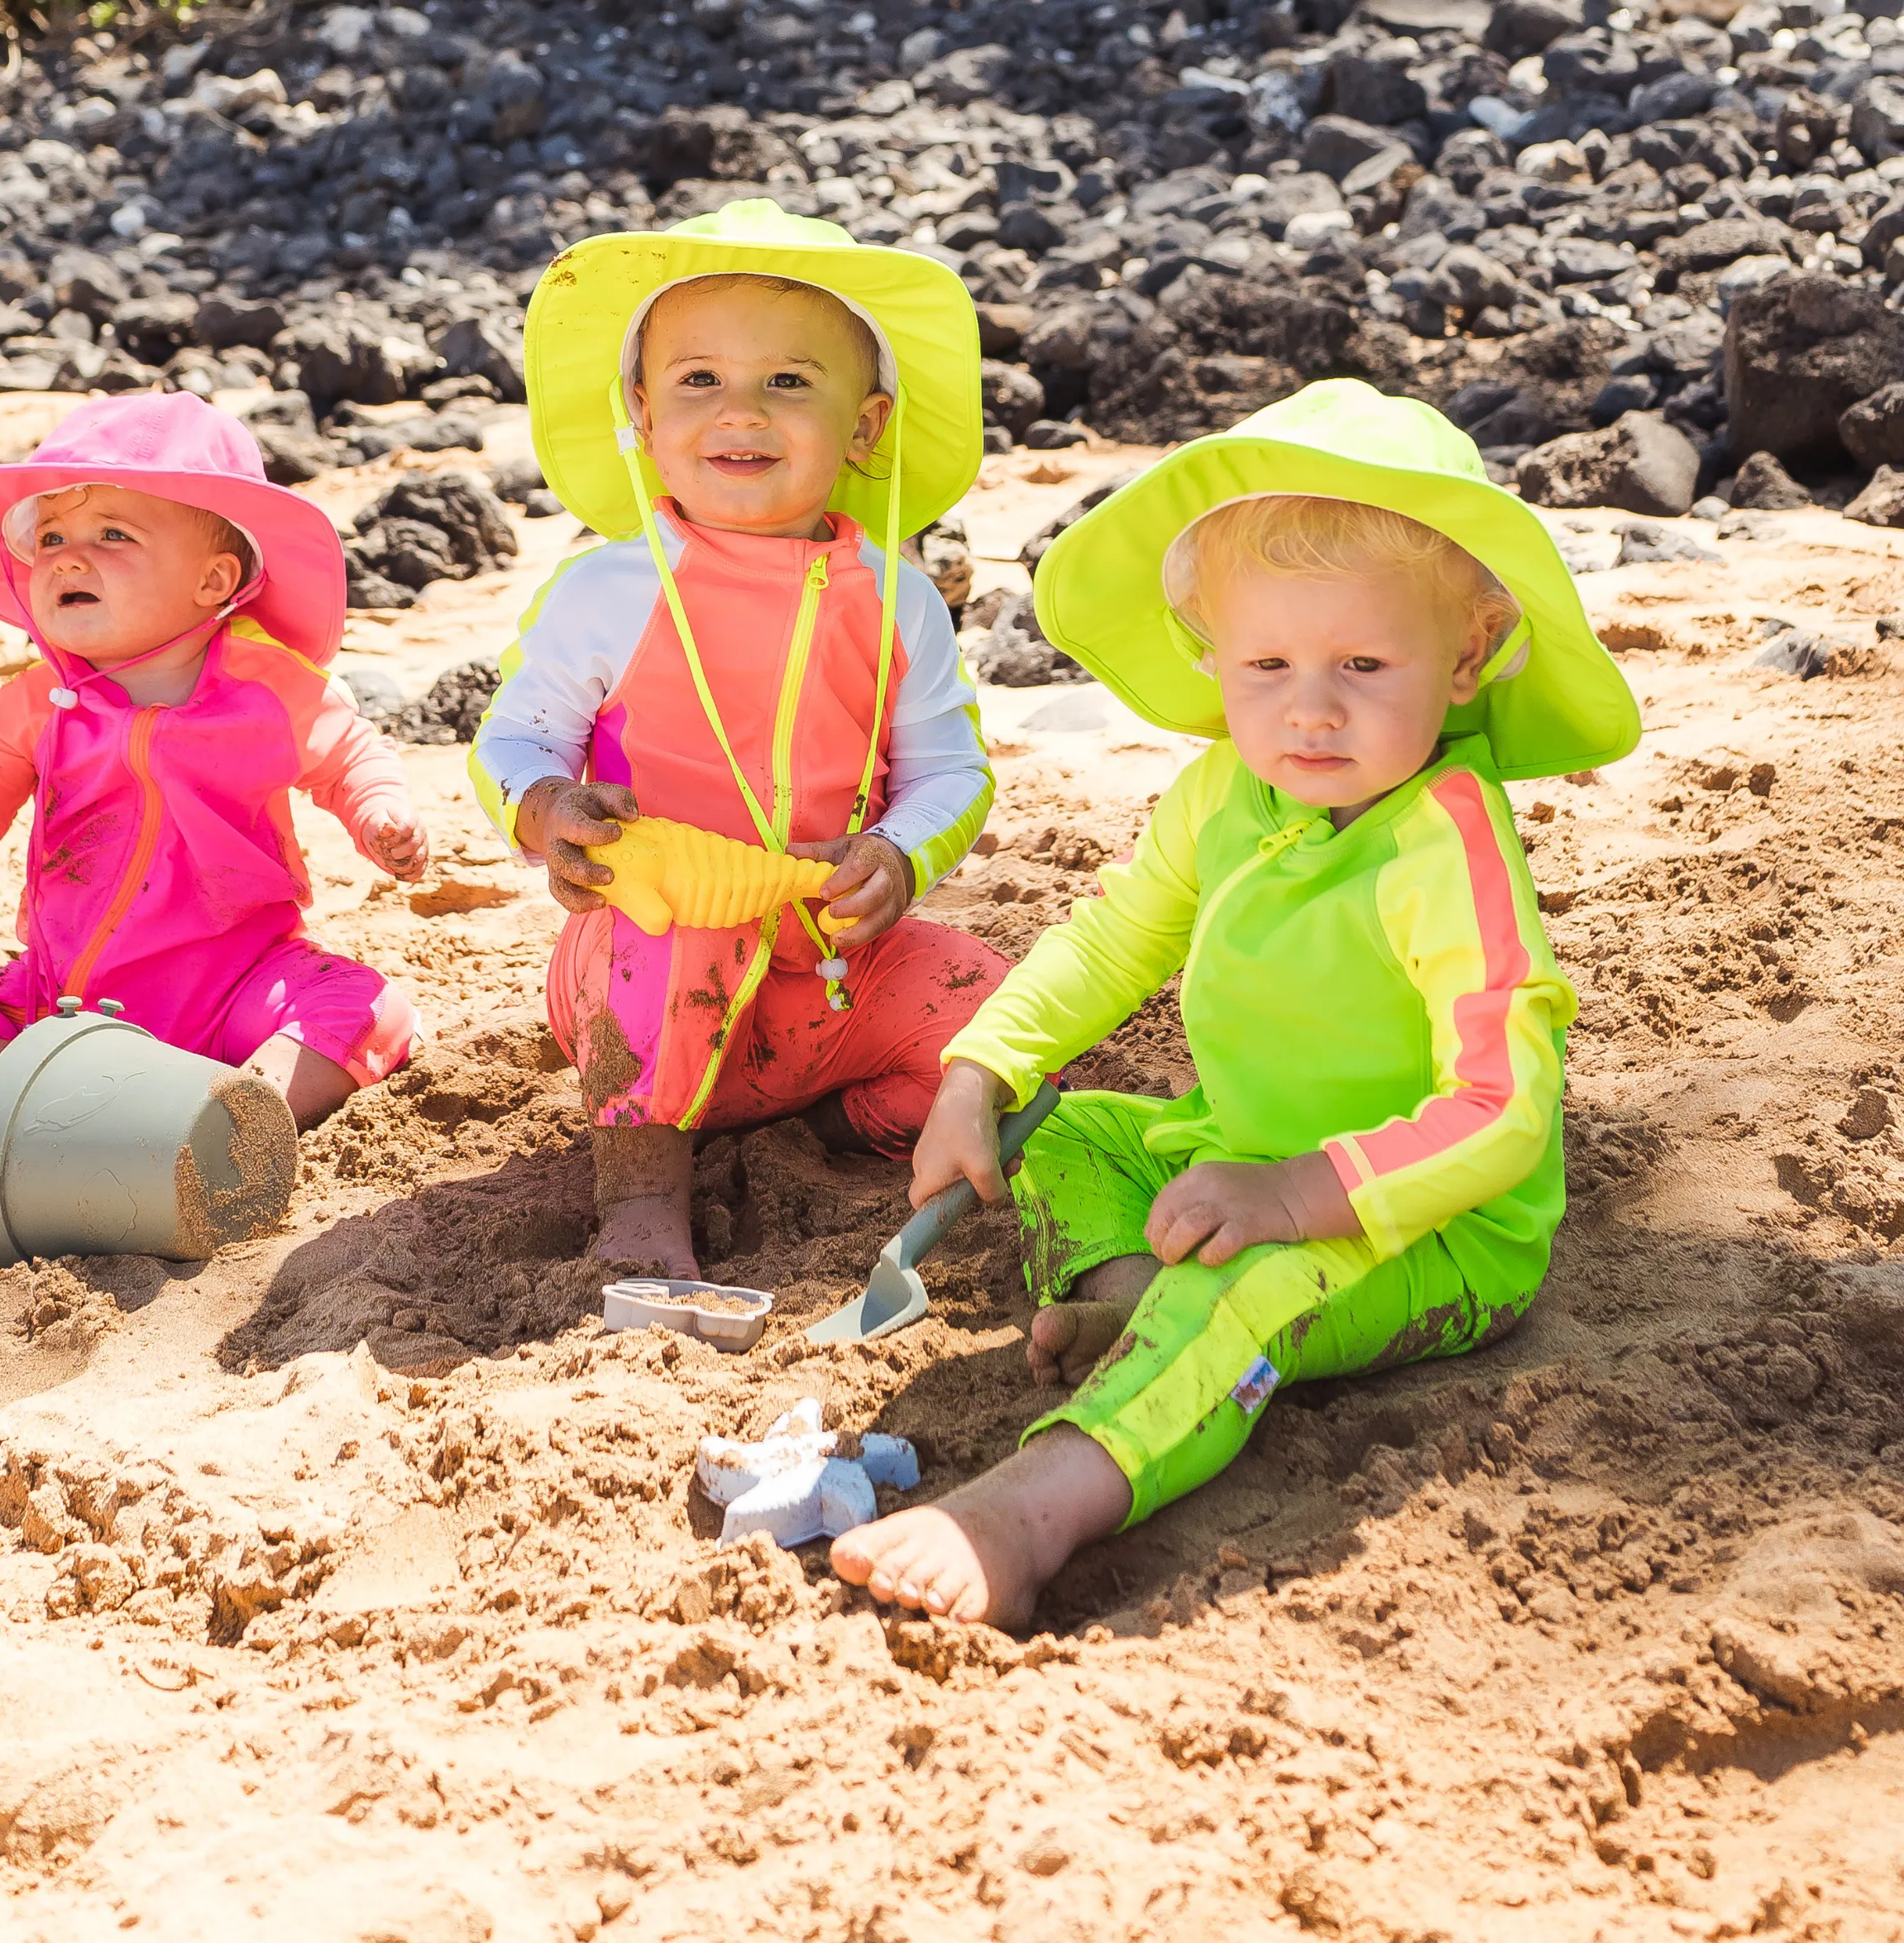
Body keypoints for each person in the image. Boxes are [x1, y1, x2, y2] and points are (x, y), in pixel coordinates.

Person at [830, 380, 1642, 1629]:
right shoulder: (1225, 791)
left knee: (1250, 1283)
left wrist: (1292, 1198)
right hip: (1248, 1155)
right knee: (1066, 1135)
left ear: (1468, 653)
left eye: (1365, 665)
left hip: (1426, 1229)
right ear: (1213, 656)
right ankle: (1129, 1311)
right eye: (1267, 664)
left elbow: (1500, 1110)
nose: (1310, 709)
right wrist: (977, 1076)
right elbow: (1112, 937)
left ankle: (1039, 1505)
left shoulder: (1444, 842)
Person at [469, 199, 1007, 1278]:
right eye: (698, 380)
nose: (741, 412)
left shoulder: (897, 600)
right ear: (641, 413)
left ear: (867, 426)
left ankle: (826, 1132)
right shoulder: (613, 588)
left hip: (827, 977)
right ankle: (641, 1199)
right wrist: (547, 810)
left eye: (790, 383)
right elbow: (513, 740)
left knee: (995, 1011)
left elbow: (952, 771)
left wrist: (900, 855)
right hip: (640, 970)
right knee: (662, 926)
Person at [0, 391, 428, 1138]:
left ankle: (240, 1111)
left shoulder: (265, 690)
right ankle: (23, 1115)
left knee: (362, 1008)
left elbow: (349, 755)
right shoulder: (43, 701)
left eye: (112, 534)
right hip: (66, 996)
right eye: (49, 539)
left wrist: (379, 815)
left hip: (239, 981)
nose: (68, 557)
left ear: (213, 582)